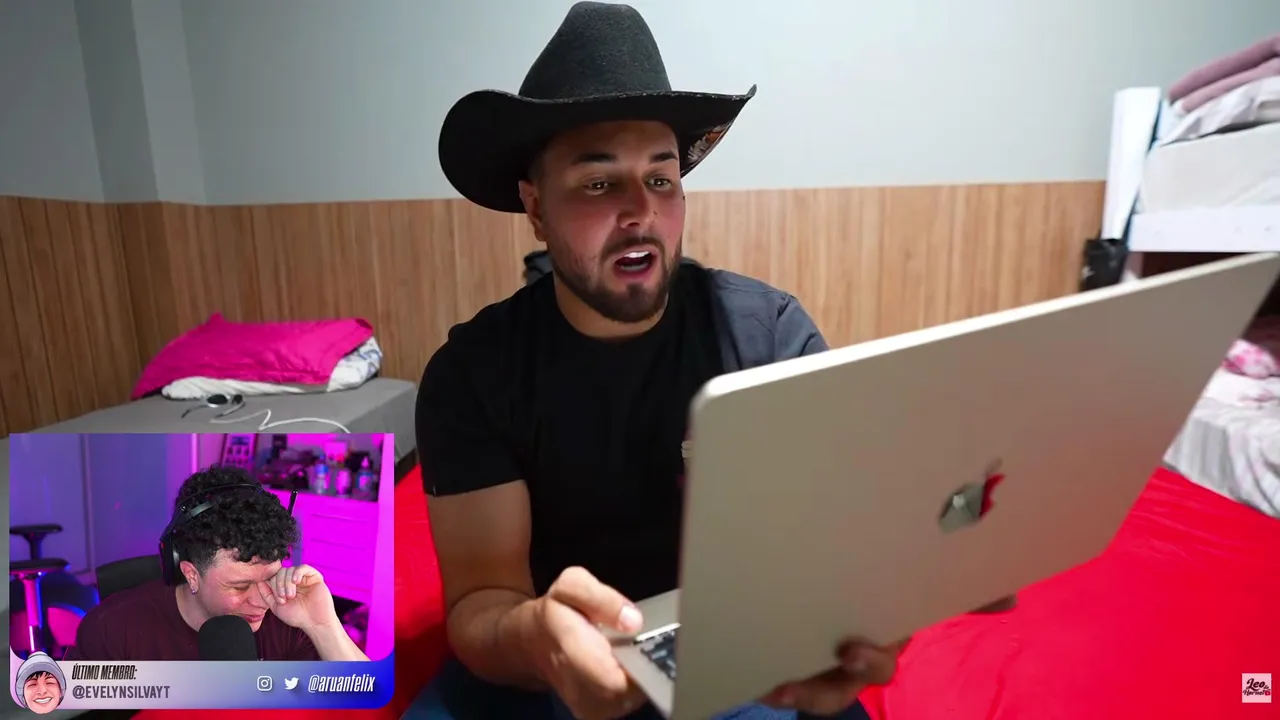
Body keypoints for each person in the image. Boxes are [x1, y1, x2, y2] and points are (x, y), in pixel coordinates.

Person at [411, 3, 908, 719]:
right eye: (599, 183)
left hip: (734, 651)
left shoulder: (766, 336)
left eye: (662, 179)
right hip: (550, 669)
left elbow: (828, 539)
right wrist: (537, 638)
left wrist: (866, 604)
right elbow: (482, 601)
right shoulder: (473, 375)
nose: (640, 211)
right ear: (536, 208)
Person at [65, 466, 368, 662]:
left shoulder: (288, 617)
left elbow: (369, 700)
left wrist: (322, 626)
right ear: (191, 574)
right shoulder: (113, 630)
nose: (262, 599)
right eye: (240, 586)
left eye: (269, 578)